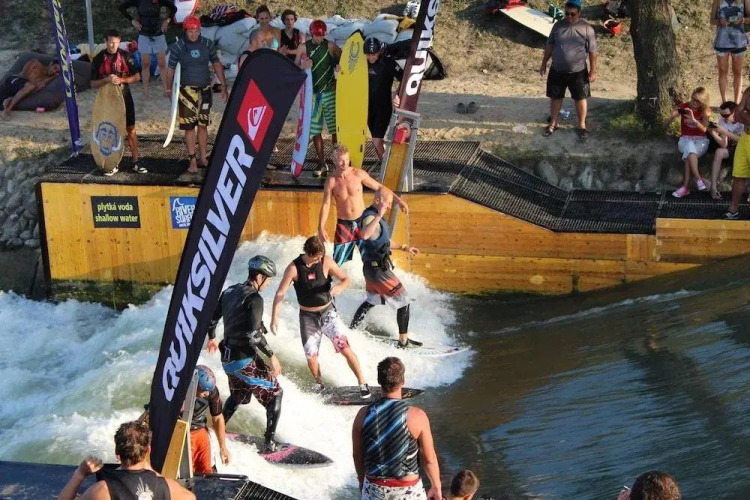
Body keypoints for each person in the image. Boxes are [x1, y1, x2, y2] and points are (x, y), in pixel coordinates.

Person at [271, 235, 371, 398]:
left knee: (345, 348)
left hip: (328, 313)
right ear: (308, 253)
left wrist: (340, 287)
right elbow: (280, 292)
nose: (319, 260)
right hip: (307, 317)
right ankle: (319, 384)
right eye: (316, 257)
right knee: (311, 358)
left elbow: (346, 279)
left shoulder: (326, 262)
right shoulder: (294, 268)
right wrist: (274, 317)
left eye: (320, 256)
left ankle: (362, 383)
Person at [206, 255, 284, 452]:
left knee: (239, 395)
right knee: (275, 394)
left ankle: (216, 431)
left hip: (227, 358)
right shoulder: (254, 299)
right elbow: (254, 335)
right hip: (243, 359)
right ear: (259, 277)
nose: (269, 283)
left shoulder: (229, 291)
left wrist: (212, 338)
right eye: (268, 279)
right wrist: (272, 356)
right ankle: (270, 443)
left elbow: (212, 318)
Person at [352, 357, 441, 500]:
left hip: (374, 489)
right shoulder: (416, 416)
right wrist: (436, 486)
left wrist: (362, 481)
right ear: (403, 380)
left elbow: (357, 456)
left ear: (379, 381)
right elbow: (429, 459)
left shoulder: (362, 415)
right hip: (408, 490)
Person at [350, 188, 421, 348]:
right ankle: (403, 342)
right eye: (387, 203)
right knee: (404, 301)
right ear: (377, 200)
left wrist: (404, 247)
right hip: (379, 271)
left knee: (371, 301)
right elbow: (365, 235)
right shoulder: (370, 217)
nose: (389, 206)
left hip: (371, 270)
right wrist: (379, 215)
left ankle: (351, 330)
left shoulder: (373, 216)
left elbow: (383, 241)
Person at [317, 145, 408, 267]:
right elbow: (326, 204)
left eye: (347, 159)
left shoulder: (358, 174)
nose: (345, 163)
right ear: (334, 161)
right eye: (341, 160)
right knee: (337, 262)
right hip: (344, 224)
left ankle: (380, 272)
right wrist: (321, 227)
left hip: (362, 221)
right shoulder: (331, 181)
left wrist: (399, 200)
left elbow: (380, 188)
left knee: (375, 255)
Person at [57, 420, 195, 500]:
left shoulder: (103, 490)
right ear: (148, 450)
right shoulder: (166, 486)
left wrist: (79, 475)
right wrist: (154, 474)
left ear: (117, 452)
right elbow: (191, 498)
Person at [166, 15, 228, 175]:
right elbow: (170, 70)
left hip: (205, 90)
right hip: (186, 91)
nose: (193, 34)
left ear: (199, 30)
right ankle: (192, 159)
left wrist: (224, 85)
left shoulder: (207, 44)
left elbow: (216, 64)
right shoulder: (178, 47)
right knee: (189, 126)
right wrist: (168, 89)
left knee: (203, 125)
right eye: (190, 32)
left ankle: (203, 158)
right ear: (185, 31)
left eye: (196, 31)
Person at [539, 0, 597, 141]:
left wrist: (593, 70)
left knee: (580, 98)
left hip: (578, 71)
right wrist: (544, 63)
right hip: (557, 69)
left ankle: (582, 126)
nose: (569, 17)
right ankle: (553, 123)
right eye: (567, 13)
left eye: (573, 14)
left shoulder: (587, 28)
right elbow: (549, 45)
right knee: (555, 97)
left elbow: (593, 51)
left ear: (579, 13)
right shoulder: (557, 26)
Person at [90, 29, 146, 175]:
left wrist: (121, 79)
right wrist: (107, 80)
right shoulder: (98, 58)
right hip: (106, 100)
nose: (113, 45)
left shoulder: (126, 56)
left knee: (130, 129)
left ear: (119, 41)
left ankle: (135, 161)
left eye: (116, 42)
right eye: (110, 42)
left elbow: (137, 77)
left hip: (124, 95)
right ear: (105, 41)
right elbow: (92, 83)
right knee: (110, 129)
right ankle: (112, 163)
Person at [305, 19, 342, 176]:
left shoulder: (330, 46)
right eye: (317, 35)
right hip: (313, 95)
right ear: (311, 33)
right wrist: (302, 65)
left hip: (329, 93)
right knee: (315, 131)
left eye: (322, 36)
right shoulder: (304, 47)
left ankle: (337, 163)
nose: (320, 38)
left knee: (335, 130)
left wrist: (339, 73)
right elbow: (295, 66)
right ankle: (322, 164)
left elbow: (344, 59)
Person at [118, 0, 176, 98]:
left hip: (158, 34)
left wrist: (167, 21)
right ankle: (146, 92)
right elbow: (122, 7)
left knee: (162, 64)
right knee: (145, 64)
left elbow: (174, 8)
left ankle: (166, 90)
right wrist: (132, 21)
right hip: (144, 34)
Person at [666, 87, 711, 198]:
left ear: (703, 102)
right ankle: (698, 179)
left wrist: (694, 121)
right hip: (685, 139)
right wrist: (672, 116)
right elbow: (666, 123)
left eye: (698, 101)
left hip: (701, 140)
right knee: (689, 147)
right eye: (693, 99)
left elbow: (704, 130)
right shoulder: (684, 107)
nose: (694, 102)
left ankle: (685, 188)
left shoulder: (705, 111)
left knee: (689, 154)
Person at [365, 37, 404, 161]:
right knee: (377, 140)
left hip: (383, 106)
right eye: (368, 54)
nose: (371, 57)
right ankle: (385, 164)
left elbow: (404, 78)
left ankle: (385, 165)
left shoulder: (388, 62)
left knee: (376, 140)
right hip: (368, 107)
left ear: (379, 52)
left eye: (374, 54)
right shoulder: (362, 63)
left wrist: (397, 93)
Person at [189, 365, 231, 474]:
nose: (207, 394)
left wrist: (223, 447)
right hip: (178, 430)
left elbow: (217, 418)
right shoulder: (178, 391)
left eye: (209, 390)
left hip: (199, 429)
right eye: (204, 390)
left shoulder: (211, 391)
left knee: (207, 469)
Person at [710, 0, 750, 104]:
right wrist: (720, 21)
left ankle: (736, 102)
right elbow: (711, 20)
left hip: (739, 41)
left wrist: (743, 19)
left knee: (738, 72)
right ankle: (724, 102)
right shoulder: (717, 1)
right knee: (722, 71)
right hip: (722, 41)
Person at [708, 101, 743, 200]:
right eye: (722, 115)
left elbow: (743, 141)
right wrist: (713, 133)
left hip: (744, 148)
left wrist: (725, 132)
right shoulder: (722, 121)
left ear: (734, 112)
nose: (724, 118)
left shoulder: (743, 120)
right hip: (733, 149)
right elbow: (724, 144)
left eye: (726, 115)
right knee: (719, 152)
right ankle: (713, 187)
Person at [726, 84, 750, 218]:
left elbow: (741, 114)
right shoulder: (748, 90)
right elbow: (736, 115)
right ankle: (733, 210)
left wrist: (744, 113)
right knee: (739, 175)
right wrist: (744, 114)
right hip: (745, 138)